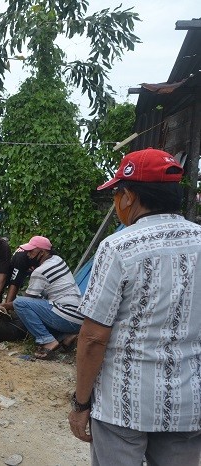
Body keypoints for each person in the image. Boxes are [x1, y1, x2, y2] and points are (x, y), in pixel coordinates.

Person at [69, 148, 201, 465]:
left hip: (122, 406)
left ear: (128, 197)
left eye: (117, 194)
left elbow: (92, 338)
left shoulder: (118, 247)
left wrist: (81, 403)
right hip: (187, 405)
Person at [2, 236, 82, 360]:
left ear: (42, 252)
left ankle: (47, 341)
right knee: (35, 309)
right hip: (78, 317)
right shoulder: (58, 260)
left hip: (67, 315)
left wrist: (1, 306)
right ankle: (65, 336)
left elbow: (25, 302)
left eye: (31, 252)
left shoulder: (40, 271)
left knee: (20, 303)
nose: (28, 255)